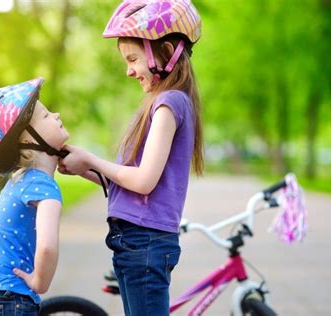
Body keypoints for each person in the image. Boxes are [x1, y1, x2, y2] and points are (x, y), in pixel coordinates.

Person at [58, 1, 203, 314]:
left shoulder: (168, 103)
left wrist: (93, 159)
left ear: (164, 51)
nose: (128, 70)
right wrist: (83, 167)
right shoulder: (163, 103)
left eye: (133, 58)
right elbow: (128, 181)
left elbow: (143, 181)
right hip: (134, 241)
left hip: (145, 243)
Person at [0, 77, 69, 315]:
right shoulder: (43, 186)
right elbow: (46, 247)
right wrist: (39, 282)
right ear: (28, 140)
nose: (55, 114)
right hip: (10, 295)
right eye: (45, 116)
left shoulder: (22, 180)